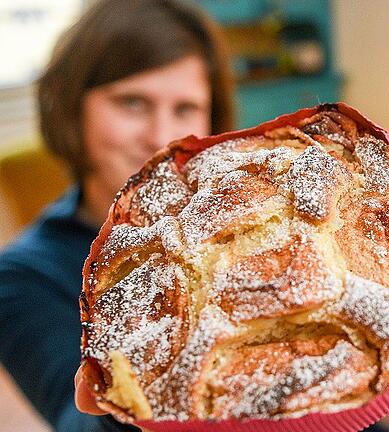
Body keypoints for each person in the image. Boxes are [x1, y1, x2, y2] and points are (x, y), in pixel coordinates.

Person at [0, 0, 235, 430]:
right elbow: (78, 422)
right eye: (132, 103)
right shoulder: (20, 278)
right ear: (72, 109)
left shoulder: (246, 225)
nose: (162, 139)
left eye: (185, 109)